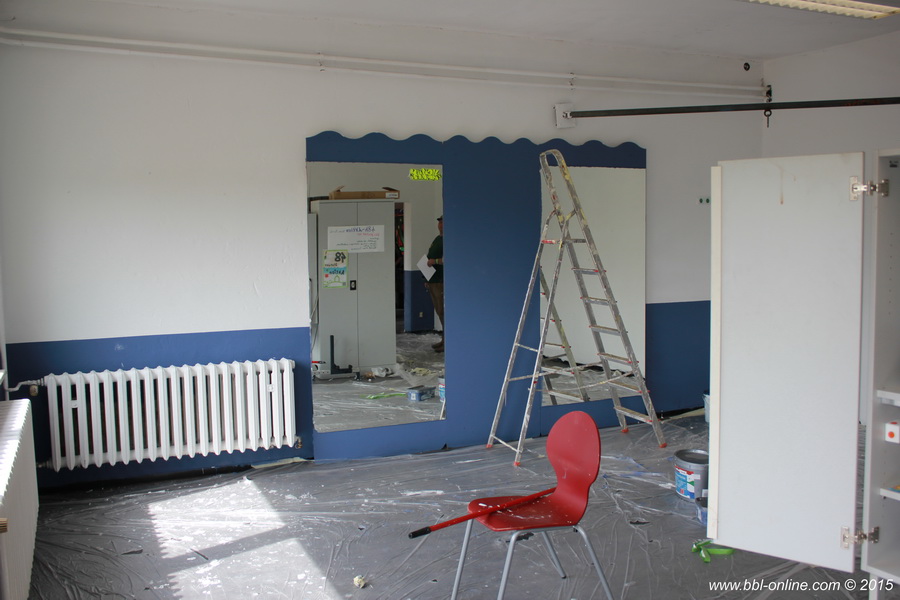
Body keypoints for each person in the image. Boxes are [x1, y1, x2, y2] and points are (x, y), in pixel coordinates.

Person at [426, 215, 444, 353]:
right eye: (439, 223)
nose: (440, 225)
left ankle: (447, 341)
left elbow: (450, 258)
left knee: (443, 311)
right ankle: (444, 339)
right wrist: (426, 279)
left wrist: (435, 261)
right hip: (432, 279)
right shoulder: (438, 239)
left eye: (442, 223)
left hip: (440, 281)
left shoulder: (449, 240)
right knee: (438, 311)